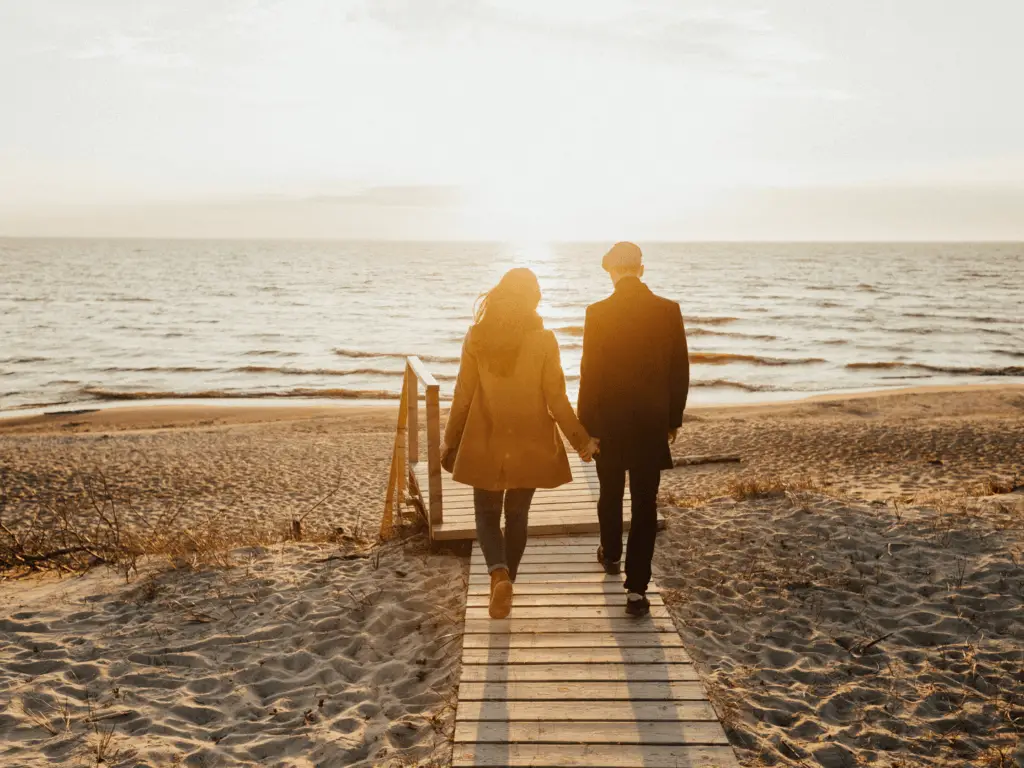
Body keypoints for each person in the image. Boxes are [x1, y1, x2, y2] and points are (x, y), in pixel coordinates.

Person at [442, 268, 600, 619]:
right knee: (517, 515)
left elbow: (463, 396)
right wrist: (581, 441)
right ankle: (507, 579)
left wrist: (449, 440)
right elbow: (557, 400)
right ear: (533, 301)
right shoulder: (545, 340)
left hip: (485, 440)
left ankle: (498, 575)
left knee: (485, 513)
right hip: (530, 441)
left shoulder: (476, 337)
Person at [577, 242, 689, 617]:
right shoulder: (667, 310)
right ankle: (637, 589)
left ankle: (610, 554)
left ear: (611, 271)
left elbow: (588, 375)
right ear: (641, 269)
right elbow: (679, 372)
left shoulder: (597, 313)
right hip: (649, 422)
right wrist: (673, 419)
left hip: (608, 423)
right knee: (644, 503)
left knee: (609, 493)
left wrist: (585, 428)